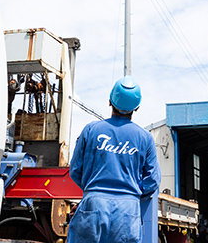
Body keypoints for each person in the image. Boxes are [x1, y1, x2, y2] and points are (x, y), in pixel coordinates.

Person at [67, 76, 161, 243]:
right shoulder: (145, 138)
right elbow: (153, 180)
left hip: (93, 205)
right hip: (128, 211)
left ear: (110, 101)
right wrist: (133, 193)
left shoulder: (91, 130)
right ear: (137, 107)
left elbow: (75, 169)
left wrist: (93, 190)